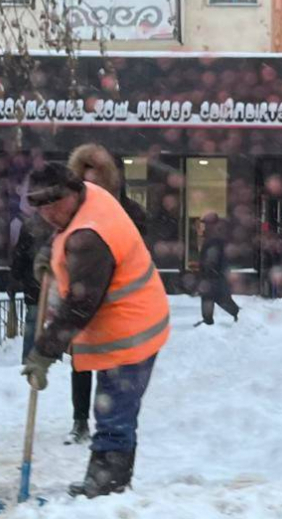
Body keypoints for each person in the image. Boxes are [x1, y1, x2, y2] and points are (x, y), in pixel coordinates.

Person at [21, 164, 170, 499]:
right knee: (110, 408)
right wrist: (52, 253)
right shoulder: (90, 196)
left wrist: (43, 352)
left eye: (55, 204)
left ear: (73, 192)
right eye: (41, 207)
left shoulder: (89, 237)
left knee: (114, 411)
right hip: (133, 317)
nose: (49, 214)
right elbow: (64, 231)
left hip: (132, 330)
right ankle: (104, 480)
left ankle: (108, 486)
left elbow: (78, 307)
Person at [58, 143, 148, 446]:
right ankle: (80, 421)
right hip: (82, 298)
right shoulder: (72, 215)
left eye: (96, 179)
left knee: (114, 369)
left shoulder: (130, 214)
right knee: (81, 364)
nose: (90, 186)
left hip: (117, 302)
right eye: (84, 180)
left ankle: (113, 427)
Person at [9, 212, 51, 363]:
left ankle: (28, 358)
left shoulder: (30, 225)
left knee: (33, 322)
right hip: (49, 282)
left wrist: (16, 277)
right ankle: (49, 358)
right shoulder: (58, 223)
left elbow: (20, 255)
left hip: (34, 281)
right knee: (51, 324)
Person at [195, 213, 240, 326]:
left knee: (219, 297)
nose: (201, 227)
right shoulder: (213, 236)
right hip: (214, 274)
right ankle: (208, 319)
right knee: (209, 297)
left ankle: (238, 314)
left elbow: (213, 256)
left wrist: (210, 270)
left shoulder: (214, 237)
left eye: (204, 224)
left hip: (214, 274)